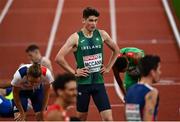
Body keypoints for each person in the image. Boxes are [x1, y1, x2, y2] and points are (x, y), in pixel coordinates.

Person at [55, 7, 119, 121]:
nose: (94, 23)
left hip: (98, 83)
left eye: (95, 20)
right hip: (82, 85)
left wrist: (108, 67)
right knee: (81, 118)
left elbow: (116, 50)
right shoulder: (76, 37)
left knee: (109, 118)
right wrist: (75, 72)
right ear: (83, 20)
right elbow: (59, 58)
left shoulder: (102, 34)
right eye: (90, 20)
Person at [125, 55, 161, 121]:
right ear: (152, 72)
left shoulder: (130, 90)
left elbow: (128, 118)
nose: (160, 72)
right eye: (159, 69)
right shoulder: (151, 92)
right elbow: (148, 119)